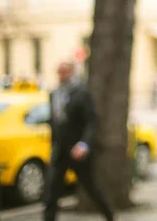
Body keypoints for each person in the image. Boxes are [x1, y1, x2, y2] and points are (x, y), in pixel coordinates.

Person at [44, 62, 113, 221]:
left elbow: (91, 121)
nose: (62, 76)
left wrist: (84, 144)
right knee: (52, 189)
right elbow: (55, 121)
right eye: (59, 72)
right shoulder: (54, 94)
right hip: (60, 149)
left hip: (78, 150)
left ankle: (110, 216)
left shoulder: (81, 93)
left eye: (65, 72)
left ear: (71, 72)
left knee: (91, 187)